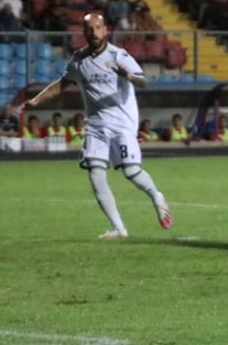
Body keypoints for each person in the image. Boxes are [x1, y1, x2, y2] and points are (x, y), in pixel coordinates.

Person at [21, 13, 173, 238]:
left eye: (98, 27)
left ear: (105, 30)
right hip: (96, 124)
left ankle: (156, 196)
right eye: (89, 29)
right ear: (84, 32)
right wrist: (36, 100)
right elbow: (61, 85)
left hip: (122, 123)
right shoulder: (79, 60)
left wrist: (129, 76)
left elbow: (144, 82)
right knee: (95, 174)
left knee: (131, 171)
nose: (94, 32)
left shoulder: (118, 55)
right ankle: (119, 228)